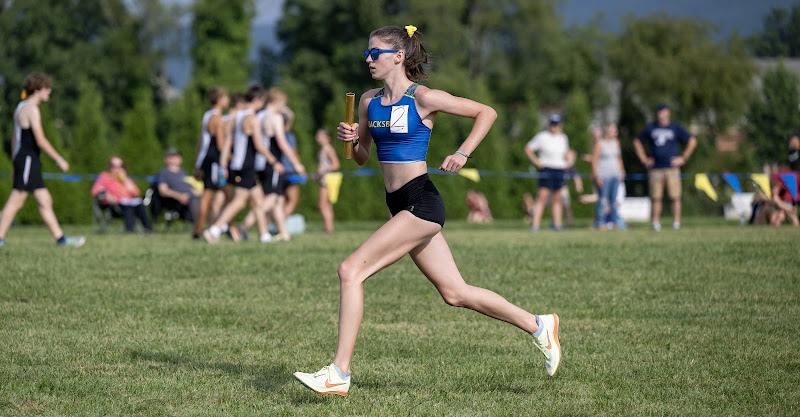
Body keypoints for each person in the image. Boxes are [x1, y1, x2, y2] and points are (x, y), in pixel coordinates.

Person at [293, 25, 560, 396]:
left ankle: (339, 373)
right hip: (398, 204)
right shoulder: (369, 101)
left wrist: (462, 152)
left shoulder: (424, 97)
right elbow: (360, 158)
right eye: (367, 53)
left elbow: (487, 112)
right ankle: (538, 325)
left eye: (376, 53)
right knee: (455, 292)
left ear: (399, 56)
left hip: (421, 202)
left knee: (350, 270)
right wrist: (353, 142)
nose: (368, 59)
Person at [0, 72, 84, 248]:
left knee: (45, 199)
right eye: (47, 88)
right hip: (28, 159)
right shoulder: (31, 108)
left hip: (26, 160)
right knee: (18, 198)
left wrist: (16, 164)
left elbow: (16, 139)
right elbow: (40, 140)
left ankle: (61, 239)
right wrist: (59, 159)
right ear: (37, 90)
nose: (49, 92)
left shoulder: (20, 106)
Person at [203, 85, 283, 244]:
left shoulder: (235, 117)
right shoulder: (252, 119)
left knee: (258, 200)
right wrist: (274, 162)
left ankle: (264, 235)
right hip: (246, 166)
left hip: (235, 165)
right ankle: (214, 230)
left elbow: (227, 144)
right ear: (258, 100)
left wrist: (223, 165)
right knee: (240, 201)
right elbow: (260, 146)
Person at [239, 88, 306, 242]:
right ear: (276, 103)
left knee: (278, 199)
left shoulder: (260, 115)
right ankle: (252, 230)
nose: (284, 108)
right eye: (283, 104)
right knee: (272, 198)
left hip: (260, 162)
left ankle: (284, 234)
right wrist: (297, 163)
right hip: (272, 163)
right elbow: (282, 143)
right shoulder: (274, 117)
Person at [633, 103, 697, 231]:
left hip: (672, 168)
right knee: (656, 197)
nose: (661, 115)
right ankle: (655, 224)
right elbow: (637, 141)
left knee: (675, 196)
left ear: (668, 113)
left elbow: (692, 141)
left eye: (663, 112)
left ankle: (676, 223)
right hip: (655, 168)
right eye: (659, 112)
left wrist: (683, 157)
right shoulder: (651, 128)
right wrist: (644, 159)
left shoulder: (676, 127)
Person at [191, 86, 230, 239]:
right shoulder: (218, 119)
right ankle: (201, 230)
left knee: (218, 194)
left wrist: (197, 165)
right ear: (220, 100)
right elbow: (220, 145)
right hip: (214, 160)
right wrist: (231, 158)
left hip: (206, 159)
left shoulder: (207, 116)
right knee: (211, 195)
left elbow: (201, 143)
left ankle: (214, 226)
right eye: (226, 97)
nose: (227, 100)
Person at [525, 114, 571, 231]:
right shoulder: (542, 136)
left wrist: (570, 158)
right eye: (553, 124)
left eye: (557, 124)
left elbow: (565, 153)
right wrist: (536, 161)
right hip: (546, 169)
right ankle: (535, 225)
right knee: (542, 197)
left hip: (559, 169)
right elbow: (528, 148)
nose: (554, 126)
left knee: (557, 198)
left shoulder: (563, 138)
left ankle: (557, 224)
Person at [91, 156, 153, 233]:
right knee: (128, 207)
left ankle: (148, 229)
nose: (117, 169)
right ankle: (129, 230)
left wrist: (125, 180)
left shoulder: (126, 178)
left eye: (120, 166)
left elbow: (136, 193)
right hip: (113, 205)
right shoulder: (104, 176)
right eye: (114, 166)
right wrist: (106, 195)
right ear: (110, 167)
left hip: (129, 203)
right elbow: (95, 191)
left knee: (140, 206)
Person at [590, 123, 625, 230]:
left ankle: (615, 223)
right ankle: (600, 223)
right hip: (603, 176)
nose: (616, 132)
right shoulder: (600, 144)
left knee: (614, 201)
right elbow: (594, 161)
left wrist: (622, 171)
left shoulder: (616, 143)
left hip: (615, 176)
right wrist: (597, 176)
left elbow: (619, 158)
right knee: (603, 200)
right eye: (613, 130)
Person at [155, 148, 200, 222]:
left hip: (190, 196)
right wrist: (179, 196)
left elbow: (190, 188)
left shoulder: (183, 172)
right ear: (166, 159)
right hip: (176, 201)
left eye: (178, 156)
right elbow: (163, 191)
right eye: (173, 156)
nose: (177, 158)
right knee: (194, 201)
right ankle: (198, 226)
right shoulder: (164, 173)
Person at [313, 127, 340, 233]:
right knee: (327, 205)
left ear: (327, 138)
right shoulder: (323, 149)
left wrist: (323, 170)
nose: (317, 137)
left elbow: (336, 165)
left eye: (319, 135)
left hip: (327, 181)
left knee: (322, 204)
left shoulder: (328, 149)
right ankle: (328, 227)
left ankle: (328, 228)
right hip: (324, 179)